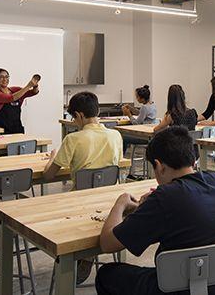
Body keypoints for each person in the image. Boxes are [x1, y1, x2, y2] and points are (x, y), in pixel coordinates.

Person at [95, 127, 215, 295]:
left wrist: (120, 204)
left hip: (195, 288)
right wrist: (152, 204)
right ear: (193, 161)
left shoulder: (164, 198)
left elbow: (108, 243)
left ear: (159, 166)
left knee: (106, 275)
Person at [44, 91, 123, 284]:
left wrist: (53, 157)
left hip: (79, 204)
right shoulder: (116, 135)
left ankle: (77, 255)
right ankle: (88, 255)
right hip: (109, 202)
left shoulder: (73, 139)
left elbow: (48, 175)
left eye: (73, 118)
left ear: (79, 115)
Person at [0, 68, 39, 134]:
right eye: (1, 77)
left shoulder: (15, 90)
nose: (5, 79)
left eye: (7, 77)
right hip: (1, 131)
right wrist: (28, 86)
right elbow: (11, 98)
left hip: (17, 130)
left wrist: (35, 85)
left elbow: (33, 92)